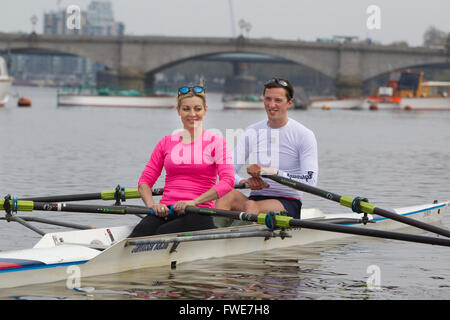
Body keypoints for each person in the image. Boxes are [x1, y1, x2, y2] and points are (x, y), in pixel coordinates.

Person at [129, 85, 235, 237]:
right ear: (178, 110)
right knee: (142, 230)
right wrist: (152, 205)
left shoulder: (217, 142)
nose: (192, 114)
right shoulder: (165, 142)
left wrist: (194, 202)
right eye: (186, 109)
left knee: (162, 233)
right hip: (166, 211)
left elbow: (228, 181)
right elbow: (145, 181)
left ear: (205, 110)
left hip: (198, 213)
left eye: (197, 109)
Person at [215, 78, 318, 220]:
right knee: (225, 194)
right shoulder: (252, 130)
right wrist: (243, 182)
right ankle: (215, 235)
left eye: (278, 100)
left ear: (289, 103)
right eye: (268, 99)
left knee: (251, 207)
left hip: (287, 203)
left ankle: (239, 236)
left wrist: (272, 172)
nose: (271, 105)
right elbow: (227, 173)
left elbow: (310, 181)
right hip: (254, 199)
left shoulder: (304, 135)